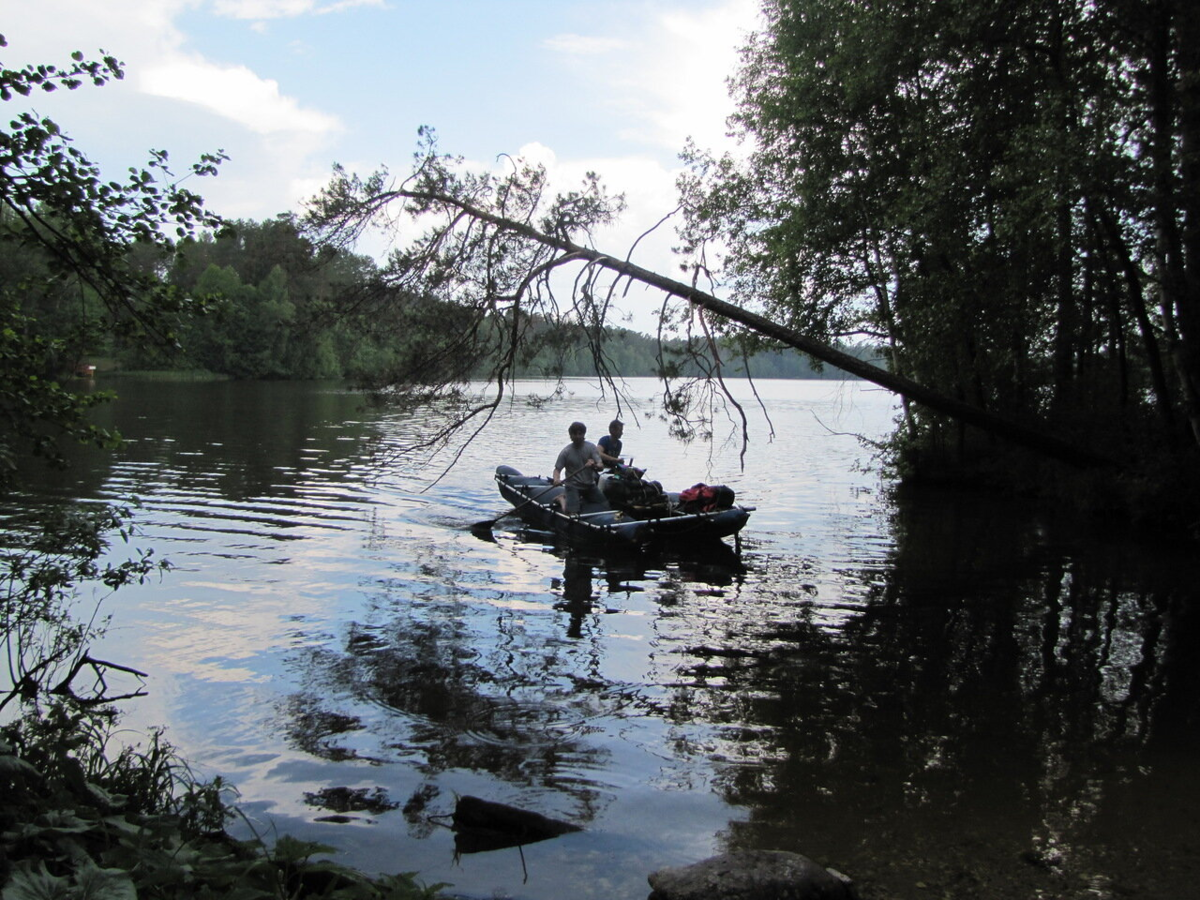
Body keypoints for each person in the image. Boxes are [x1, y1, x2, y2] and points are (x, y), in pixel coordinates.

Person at [553, 421, 604, 515]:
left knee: (605, 505)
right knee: (571, 513)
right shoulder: (566, 451)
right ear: (571, 436)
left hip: (589, 485)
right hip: (573, 486)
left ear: (584, 434)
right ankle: (562, 500)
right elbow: (557, 469)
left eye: (580, 434)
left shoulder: (591, 448)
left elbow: (601, 466)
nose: (577, 436)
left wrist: (594, 465)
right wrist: (556, 479)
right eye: (575, 434)